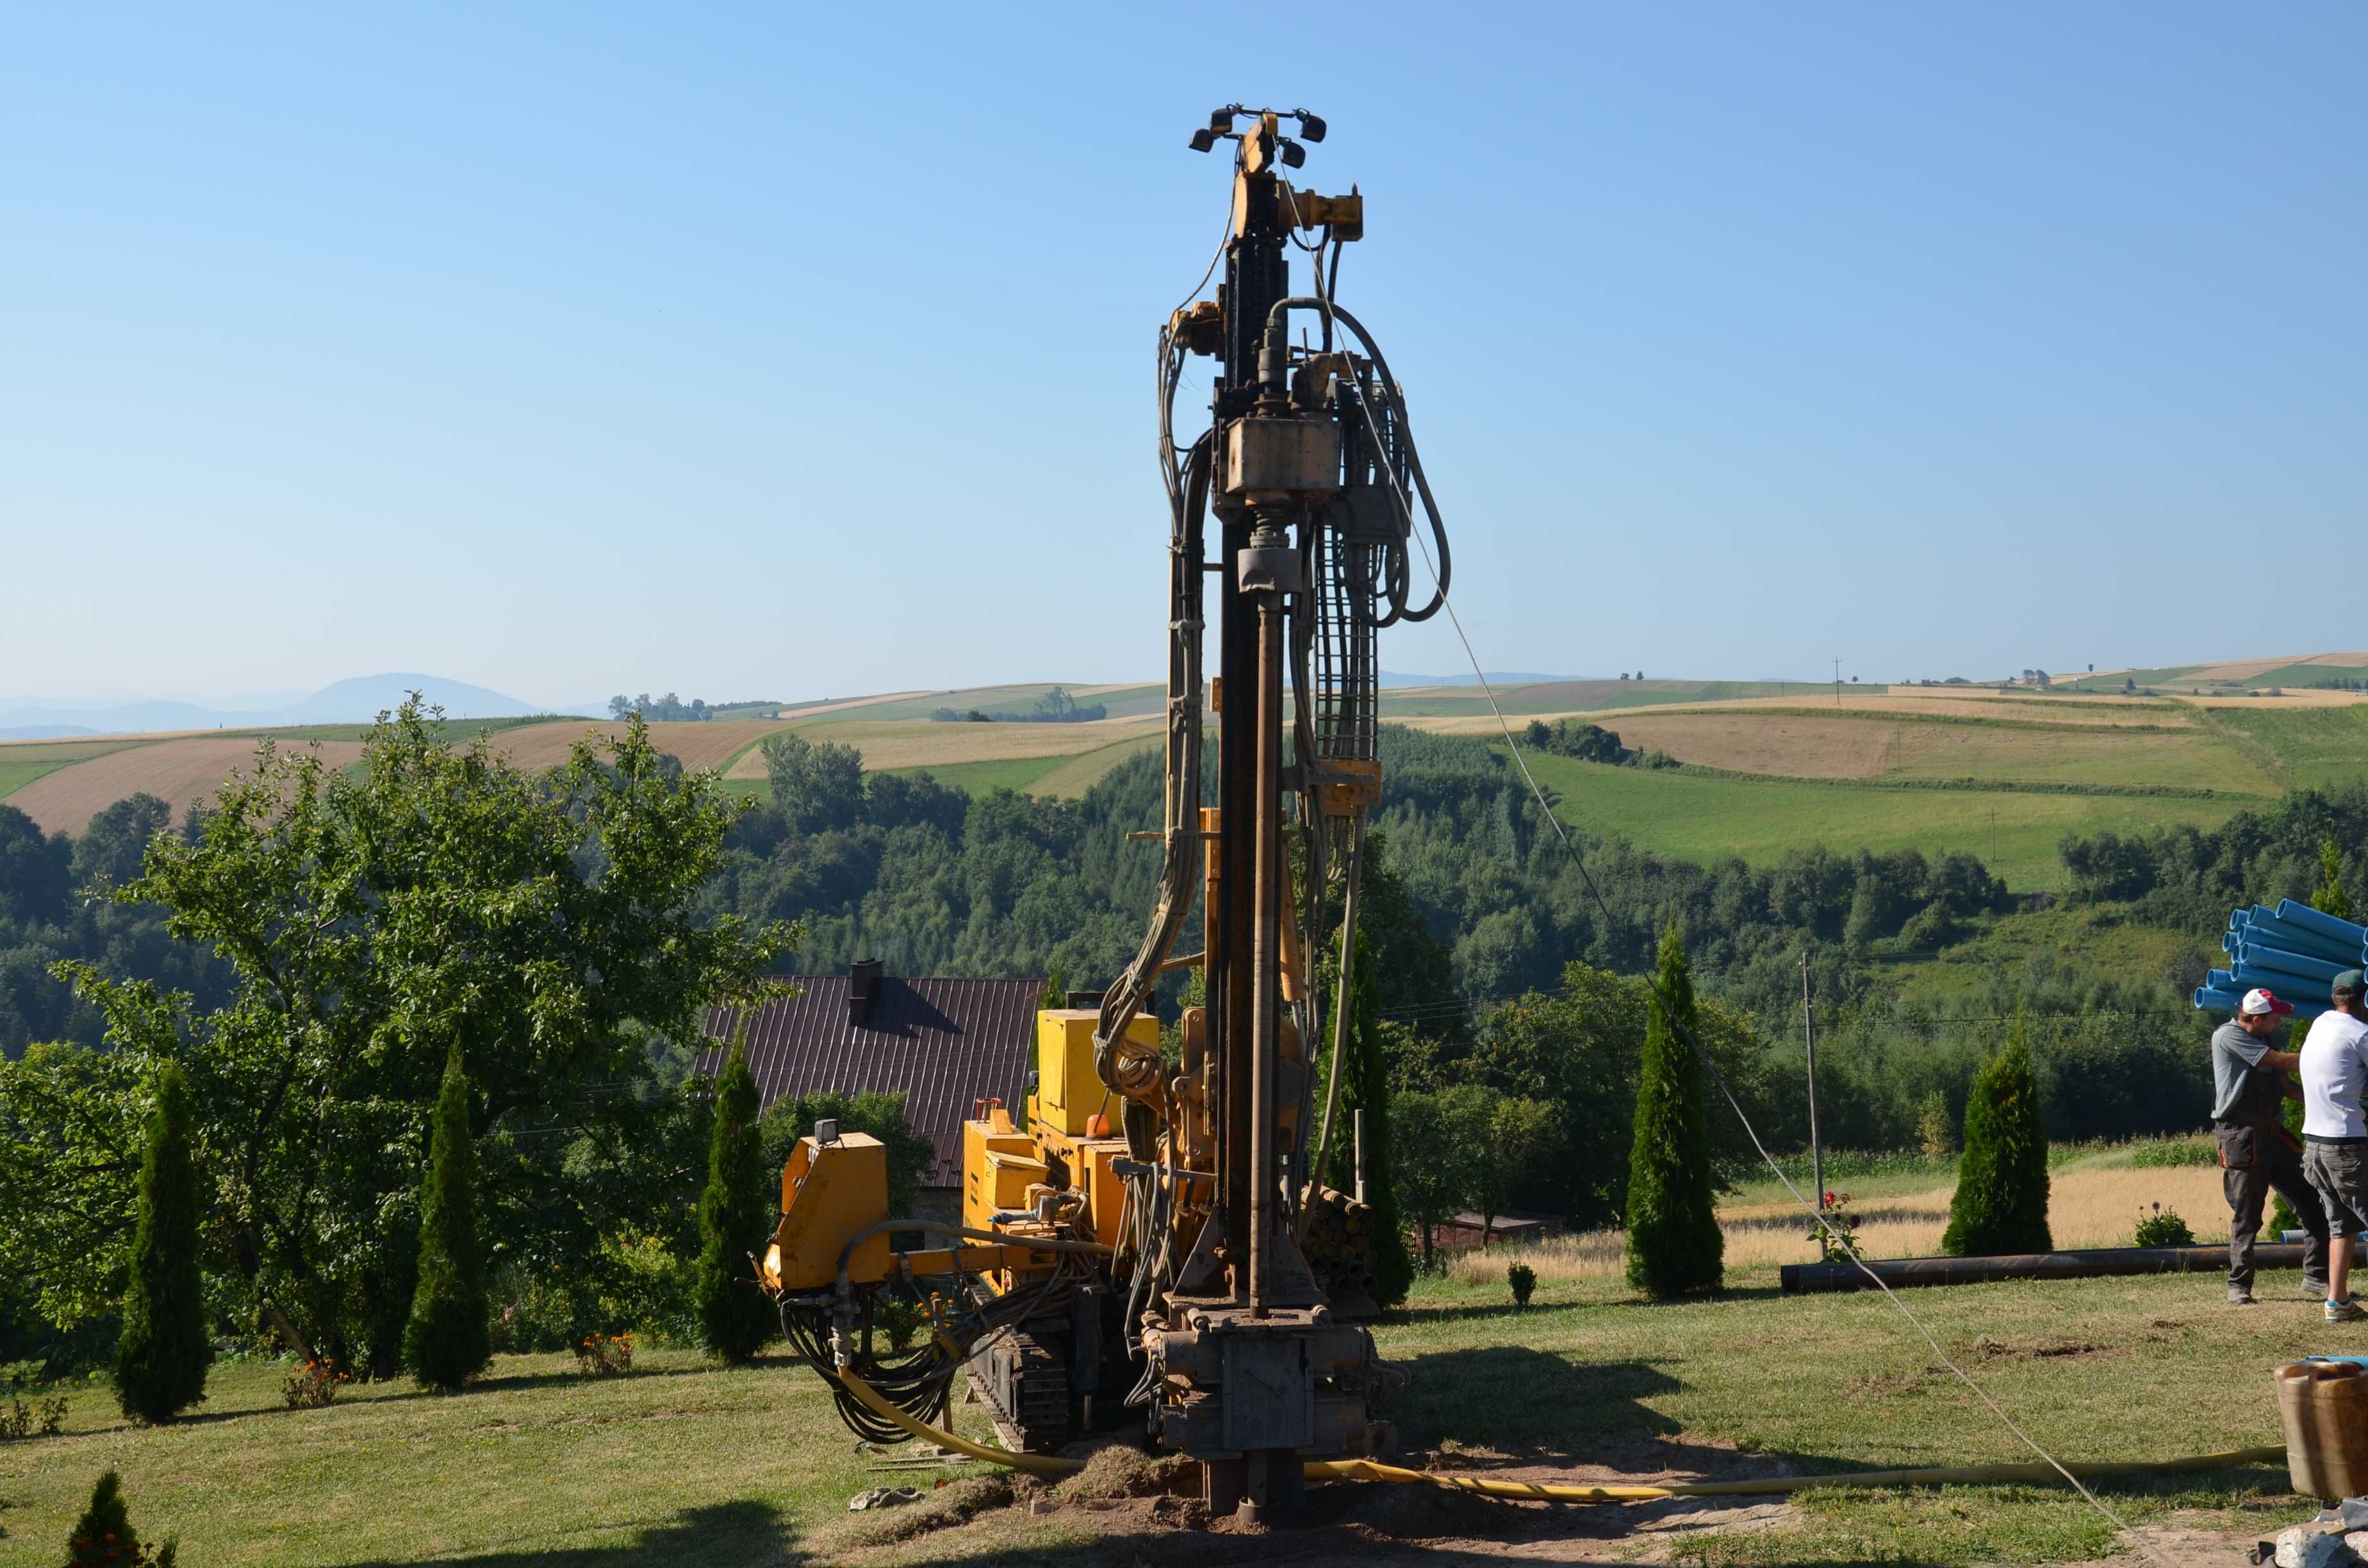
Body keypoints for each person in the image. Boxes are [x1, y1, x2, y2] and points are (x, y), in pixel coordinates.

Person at [2212, 987, 2330, 1305]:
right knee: (2248, 1214)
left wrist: (2329, 1099)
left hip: (2272, 1133)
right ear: (2255, 1018)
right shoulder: (2229, 1036)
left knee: (2312, 1200)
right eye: (2274, 1017)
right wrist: (2329, 1058)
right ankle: (2239, 1287)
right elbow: (2280, 1062)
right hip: (2241, 1136)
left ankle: (2317, 1278)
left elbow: (2286, 1087)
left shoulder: (2265, 1039)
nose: (2279, 1021)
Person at [2301, 970, 2368, 1323]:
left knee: (2341, 1224)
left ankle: (2337, 1302)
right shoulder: (2361, 1033)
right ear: (2363, 999)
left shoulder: (2319, 1025)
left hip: (2314, 1144)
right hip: (2346, 1144)